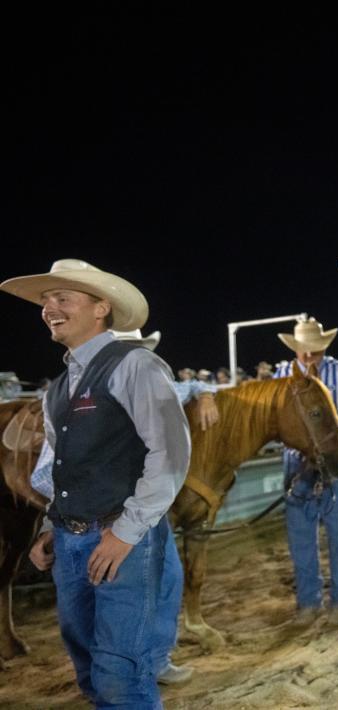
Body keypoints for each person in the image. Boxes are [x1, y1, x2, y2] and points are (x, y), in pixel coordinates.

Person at [1, 259, 191, 707]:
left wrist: (124, 533)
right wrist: (51, 526)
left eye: (62, 298)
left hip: (117, 537)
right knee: (87, 661)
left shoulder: (137, 365)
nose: (49, 308)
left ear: (101, 307)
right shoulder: (59, 388)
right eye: (46, 301)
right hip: (70, 540)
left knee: (119, 672)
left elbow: (170, 455)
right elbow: (58, 467)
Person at [28, 327, 218, 686]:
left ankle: (143, 663)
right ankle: (136, 666)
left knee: (160, 582)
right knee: (152, 586)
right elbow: (56, 469)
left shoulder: (138, 374)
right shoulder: (65, 393)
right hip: (117, 514)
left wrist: (205, 389)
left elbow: (173, 426)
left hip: (132, 513)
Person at [274, 318, 338, 622]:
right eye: (304, 351)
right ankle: (308, 602)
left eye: (314, 350)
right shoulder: (282, 375)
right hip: (298, 466)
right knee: (300, 538)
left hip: (335, 465)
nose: (309, 356)